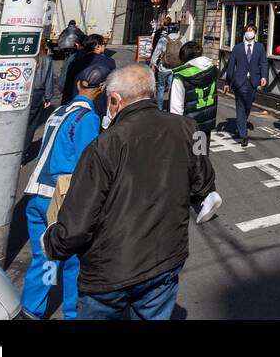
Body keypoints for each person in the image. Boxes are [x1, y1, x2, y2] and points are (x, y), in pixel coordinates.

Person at [44, 65, 218, 320]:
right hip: (166, 258)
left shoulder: (104, 145)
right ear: (150, 92)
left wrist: (53, 242)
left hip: (109, 271)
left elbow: (78, 223)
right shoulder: (191, 129)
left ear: (114, 100)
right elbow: (203, 183)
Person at [21, 59, 110, 319]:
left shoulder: (60, 112)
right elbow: (87, 163)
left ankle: (32, 309)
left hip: (37, 192)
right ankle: (72, 313)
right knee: (73, 259)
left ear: (80, 83)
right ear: (101, 89)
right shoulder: (87, 118)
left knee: (45, 257)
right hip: (61, 199)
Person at [224, 24, 268, 145]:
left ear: (255, 33)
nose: (250, 32)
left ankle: (240, 125)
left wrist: (264, 76)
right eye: (248, 30)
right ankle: (243, 135)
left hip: (253, 81)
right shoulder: (237, 48)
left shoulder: (260, 47)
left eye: (252, 30)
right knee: (241, 106)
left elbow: (264, 62)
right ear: (244, 33)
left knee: (248, 105)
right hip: (239, 81)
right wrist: (227, 82)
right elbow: (231, 66)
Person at [169, 40, 219, 141]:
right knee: (202, 153)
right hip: (206, 122)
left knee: (187, 155)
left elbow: (176, 108)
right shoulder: (211, 69)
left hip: (187, 126)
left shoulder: (181, 76)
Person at [62, 35, 107, 112]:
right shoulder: (109, 62)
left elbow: (67, 86)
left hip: (76, 102)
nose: (105, 46)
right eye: (104, 44)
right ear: (98, 46)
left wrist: (64, 105)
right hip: (98, 105)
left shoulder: (75, 62)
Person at [149, 19, 176, 111]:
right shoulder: (183, 39)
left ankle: (159, 108)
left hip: (164, 67)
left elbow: (156, 53)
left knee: (161, 87)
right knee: (173, 88)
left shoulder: (164, 39)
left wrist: (152, 64)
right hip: (176, 68)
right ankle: (171, 107)